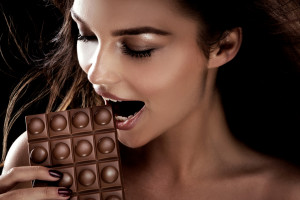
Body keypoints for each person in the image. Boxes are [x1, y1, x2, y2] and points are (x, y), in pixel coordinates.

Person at [1, 0, 300, 199]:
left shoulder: (282, 192)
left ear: (223, 46)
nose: (97, 73)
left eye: (137, 47)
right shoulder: (45, 159)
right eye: (86, 35)